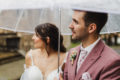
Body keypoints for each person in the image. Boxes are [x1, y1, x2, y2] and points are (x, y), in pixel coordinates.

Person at [62, 10, 120, 80]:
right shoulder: (72, 52)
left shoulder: (112, 61)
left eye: (76, 22)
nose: (70, 26)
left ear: (91, 28)